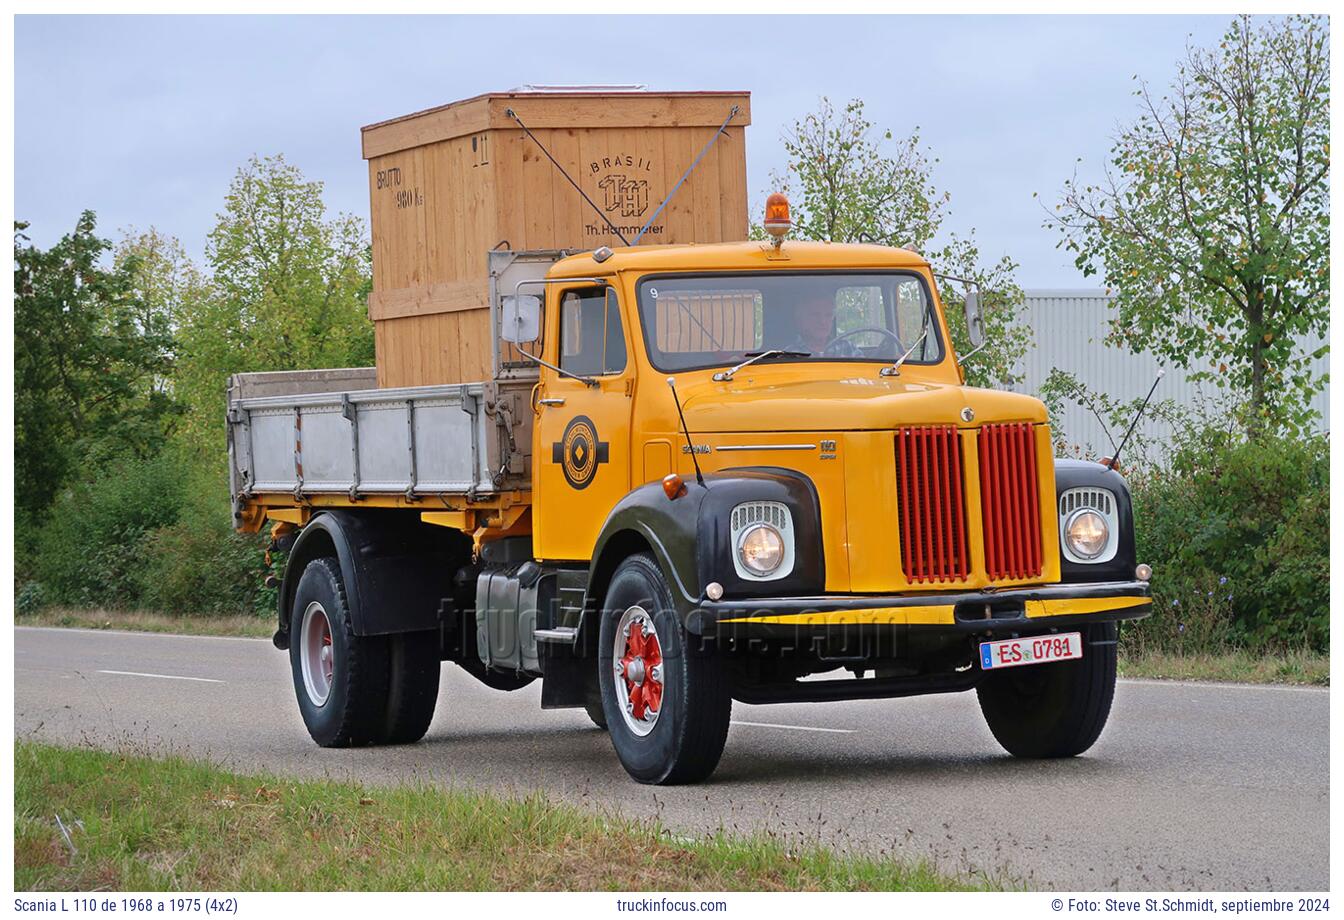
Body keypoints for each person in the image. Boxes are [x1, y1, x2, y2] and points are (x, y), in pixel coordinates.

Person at [781, 293, 860, 357]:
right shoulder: (790, 354)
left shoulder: (847, 348)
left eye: (828, 315)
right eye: (815, 315)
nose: (822, 321)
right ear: (801, 319)